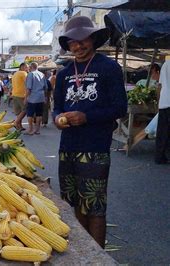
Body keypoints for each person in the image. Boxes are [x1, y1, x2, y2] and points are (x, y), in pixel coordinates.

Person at [53, 16, 127, 248]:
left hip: (95, 148)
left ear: (93, 39)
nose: (78, 46)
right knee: (73, 204)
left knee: (94, 207)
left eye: (82, 39)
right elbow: (57, 107)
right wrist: (57, 118)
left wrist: (87, 117)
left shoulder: (108, 68)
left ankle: (98, 258)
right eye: (72, 42)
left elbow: (119, 108)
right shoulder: (64, 73)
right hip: (68, 148)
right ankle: (83, 252)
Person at [25, 62, 47, 135]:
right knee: (39, 114)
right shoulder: (42, 74)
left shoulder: (31, 74)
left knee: (30, 114)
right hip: (41, 97)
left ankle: (30, 129)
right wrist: (45, 97)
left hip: (33, 97)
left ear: (31, 67)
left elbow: (29, 88)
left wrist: (25, 98)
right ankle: (37, 130)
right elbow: (45, 87)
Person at [156, 56, 170, 164]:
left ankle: (160, 157)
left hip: (164, 101)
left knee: (162, 131)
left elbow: (159, 85)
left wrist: (158, 101)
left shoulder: (165, 64)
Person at [11, 63, 29, 131]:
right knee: (25, 110)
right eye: (27, 67)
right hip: (21, 94)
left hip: (14, 94)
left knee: (19, 112)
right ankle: (16, 122)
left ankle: (19, 126)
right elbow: (27, 83)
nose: (28, 69)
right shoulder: (23, 73)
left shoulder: (15, 74)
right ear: (23, 67)